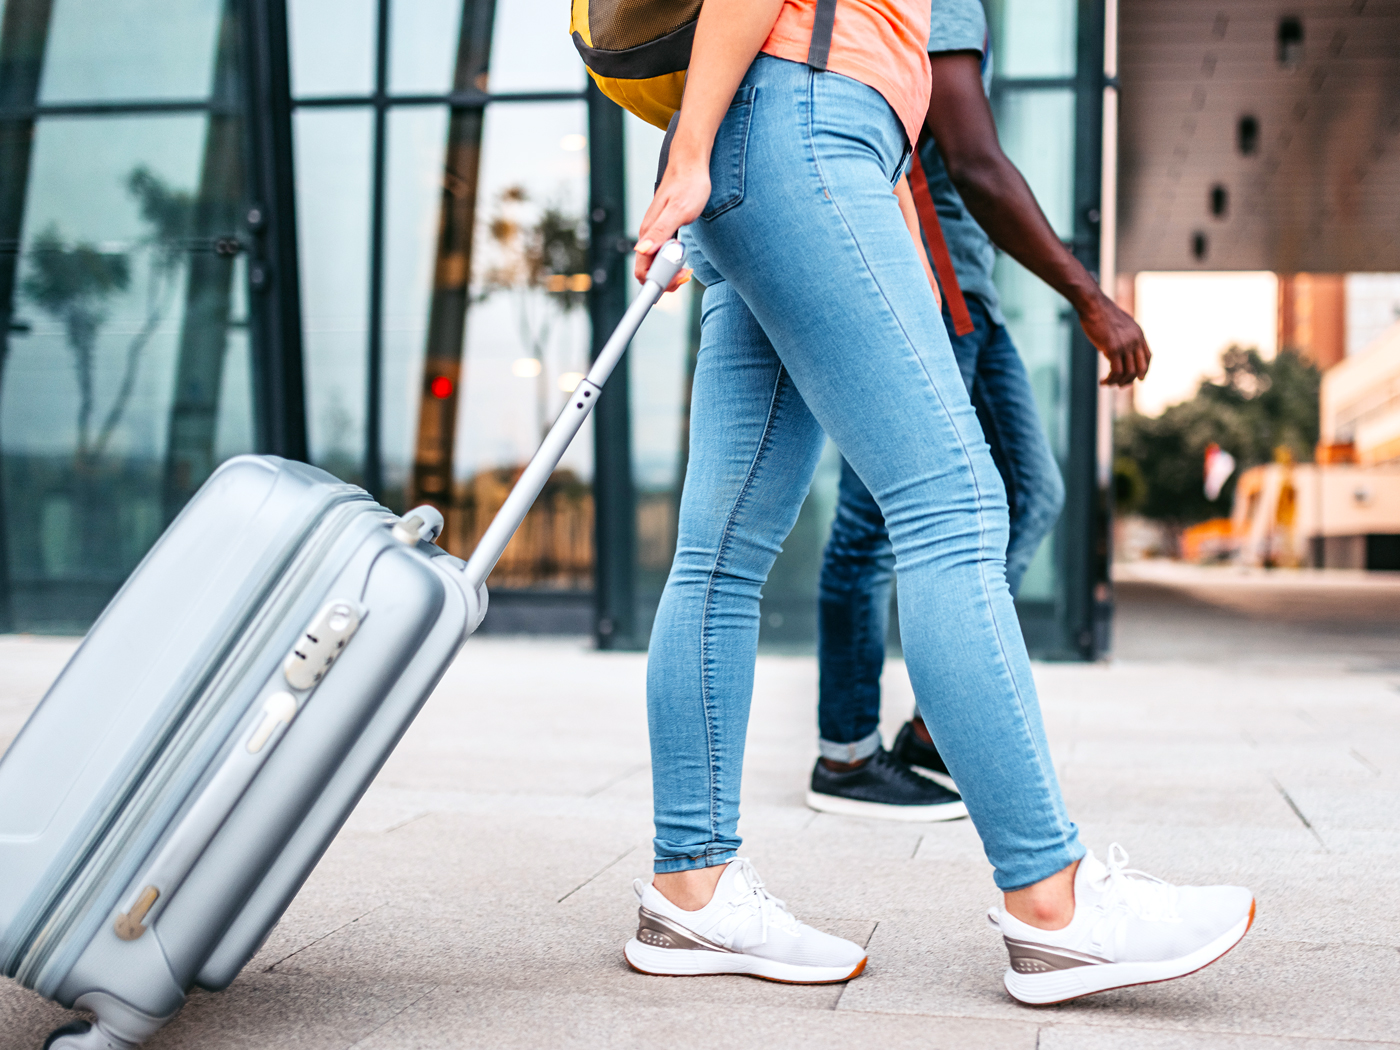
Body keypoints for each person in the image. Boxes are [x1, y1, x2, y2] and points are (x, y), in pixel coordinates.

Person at [623, 0, 1253, 1004]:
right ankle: (1054, 908)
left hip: (776, 142)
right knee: (951, 510)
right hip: (803, 132)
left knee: (722, 549)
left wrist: (702, 150)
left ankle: (688, 891)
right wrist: (689, 149)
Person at [806, 0, 1151, 820]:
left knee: (1034, 495)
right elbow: (975, 162)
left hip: (972, 296)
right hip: (925, 286)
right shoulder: (946, 2)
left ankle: (932, 730)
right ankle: (846, 755)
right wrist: (1090, 297)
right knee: (871, 527)